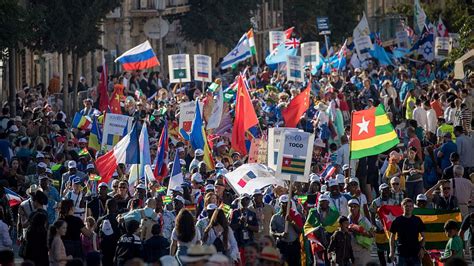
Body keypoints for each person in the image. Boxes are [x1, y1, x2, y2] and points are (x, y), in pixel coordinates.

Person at [389, 198, 426, 266]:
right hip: (401, 254)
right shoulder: (397, 220)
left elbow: (423, 236)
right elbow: (392, 237)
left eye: (410, 206)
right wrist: (391, 252)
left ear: (413, 207)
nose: (408, 208)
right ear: (402, 207)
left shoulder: (417, 220)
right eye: (406, 206)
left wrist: (422, 248)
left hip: (415, 254)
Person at [270, 194, 303, 266]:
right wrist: (280, 235)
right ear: (279, 204)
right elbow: (272, 232)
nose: (286, 205)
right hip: (282, 247)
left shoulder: (296, 215)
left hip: (294, 246)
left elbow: (300, 230)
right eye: (283, 203)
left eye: (287, 203)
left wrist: (292, 221)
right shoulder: (275, 217)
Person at [348, 199, 374, 266]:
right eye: (350, 206)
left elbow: (372, 234)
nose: (352, 208)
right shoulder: (347, 219)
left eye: (355, 206)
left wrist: (361, 231)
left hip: (364, 248)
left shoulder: (364, 220)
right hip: (352, 249)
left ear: (358, 207)